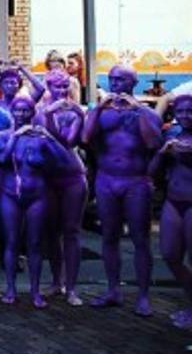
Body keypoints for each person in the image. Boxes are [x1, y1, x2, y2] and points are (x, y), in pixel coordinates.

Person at [82, 64, 163, 316]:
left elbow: (152, 142)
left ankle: (143, 295)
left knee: (140, 238)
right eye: (112, 79)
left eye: (121, 80)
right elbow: (85, 137)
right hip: (107, 179)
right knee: (109, 236)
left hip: (135, 180)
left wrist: (137, 109)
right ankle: (113, 289)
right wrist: (99, 108)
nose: (115, 84)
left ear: (132, 83)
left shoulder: (147, 112)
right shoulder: (103, 111)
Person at [0, 95, 71, 307]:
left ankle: (35, 291)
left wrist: (48, 137)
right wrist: (14, 137)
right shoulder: (4, 135)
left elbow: (64, 161)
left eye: (25, 111)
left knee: (35, 243)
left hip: (37, 195)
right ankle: (10, 289)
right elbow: (1, 159)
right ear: (11, 112)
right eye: (17, 111)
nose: (21, 115)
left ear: (32, 113)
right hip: (10, 194)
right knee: (11, 241)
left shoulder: (39, 137)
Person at [37, 68, 88, 305]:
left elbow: (67, 142)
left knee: (72, 230)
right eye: (56, 86)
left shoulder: (74, 112)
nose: (61, 91)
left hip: (72, 175)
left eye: (64, 86)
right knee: (50, 232)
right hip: (48, 177)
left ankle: (72, 288)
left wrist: (76, 113)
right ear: (48, 87)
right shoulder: (38, 110)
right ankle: (56, 281)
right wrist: (46, 114)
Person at [150, 94, 192, 329]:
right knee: (170, 254)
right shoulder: (172, 135)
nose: (185, 116)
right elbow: (153, 172)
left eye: (190, 111)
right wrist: (162, 153)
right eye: (181, 111)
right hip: (174, 202)